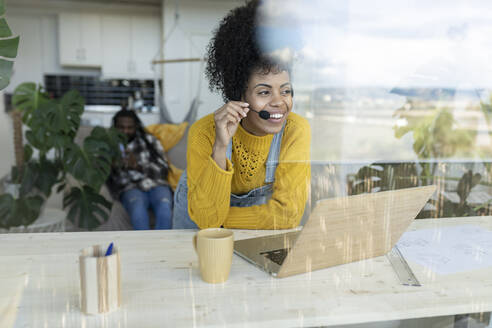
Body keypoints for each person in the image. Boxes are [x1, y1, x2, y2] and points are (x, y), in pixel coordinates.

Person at [172, 0, 311, 230]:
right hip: (194, 219)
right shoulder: (203, 133)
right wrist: (219, 147)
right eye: (264, 92)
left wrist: (221, 220)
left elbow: (287, 215)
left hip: (233, 222)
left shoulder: (295, 130)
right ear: (240, 94)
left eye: (286, 90)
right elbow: (205, 221)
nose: (279, 102)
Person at [108, 109, 173, 230]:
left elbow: (163, 168)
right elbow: (103, 174)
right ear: (115, 127)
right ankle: (144, 247)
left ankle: (163, 247)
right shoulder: (109, 144)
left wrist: (137, 165)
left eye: (129, 127)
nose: (125, 131)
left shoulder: (150, 140)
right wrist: (114, 164)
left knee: (165, 209)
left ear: (136, 127)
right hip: (130, 187)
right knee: (138, 210)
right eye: (121, 127)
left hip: (157, 184)